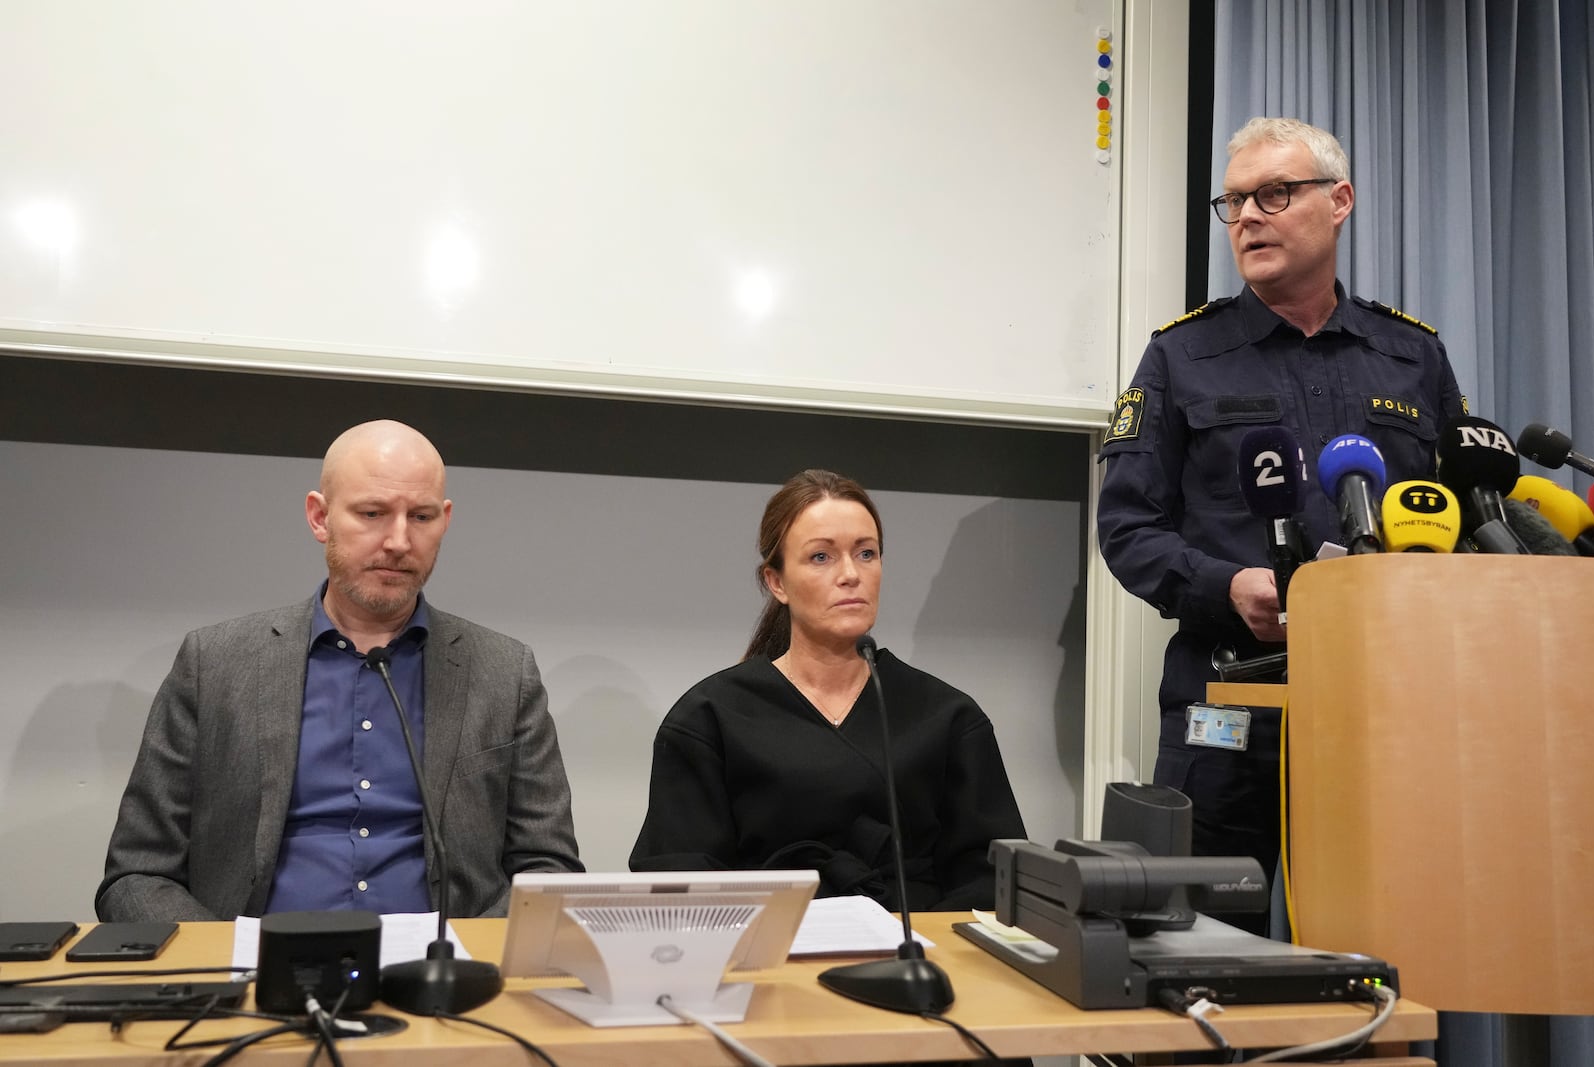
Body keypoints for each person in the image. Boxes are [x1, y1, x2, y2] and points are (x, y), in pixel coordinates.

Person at [1097, 117, 1467, 930]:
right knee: (1199, 959)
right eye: (1233, 202)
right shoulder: (1181, 357)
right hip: (1227, 704)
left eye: (1273, 194)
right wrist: (1226, 584)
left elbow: (1463, 525)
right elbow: (1127, 528)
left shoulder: (1412, 357)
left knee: (1374, 954)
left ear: (1339, 202)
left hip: (1379, 707)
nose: (1249, 218)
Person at [97, 419, 582, 921]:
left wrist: (466, 960)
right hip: (255, 976)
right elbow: (137, 874)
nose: (398, 540)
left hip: (440, 978)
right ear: (319, 517)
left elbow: (550, 868)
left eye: (421, 516)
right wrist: (229, 961)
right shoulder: (214, 663)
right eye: (372, 513)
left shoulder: (504, 672)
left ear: (446, 520)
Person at [629, 469, 1026, 911]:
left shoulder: (948, 717)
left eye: (867, 553)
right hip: (765, 955)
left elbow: (992, 881)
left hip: (916, 955)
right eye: (821, 557)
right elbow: (677, 882)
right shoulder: (709, 718)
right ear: (776, 582)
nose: (851, 574)